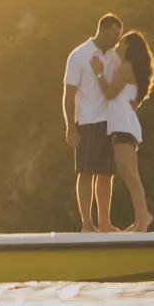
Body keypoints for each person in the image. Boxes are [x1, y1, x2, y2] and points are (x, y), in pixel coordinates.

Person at [62, 14, 124, 232]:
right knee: (86, 172)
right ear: (103, 30)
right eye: (115, 35)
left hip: (110, 121)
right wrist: (70, 127)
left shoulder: (115, 57)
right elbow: (69, 95)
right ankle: (87, 224)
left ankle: (104, 224)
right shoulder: (78, 55)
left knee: (106, 174)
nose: (117, 40)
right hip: (87, 122)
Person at [89, 29, 154, 231]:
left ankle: (143, 220)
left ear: (129, 47)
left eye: (121, 42)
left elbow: (110, 93)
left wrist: (98, 72)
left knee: (128, 174)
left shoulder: (127, 67)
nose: (117, 45)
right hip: (127, 124)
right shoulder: (132, 69)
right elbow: (131, 103)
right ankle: (141, 219)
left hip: (122, 127)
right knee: (131, 174)